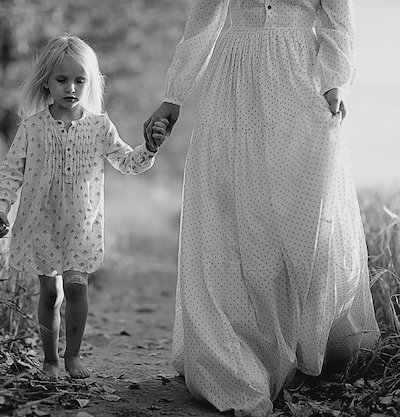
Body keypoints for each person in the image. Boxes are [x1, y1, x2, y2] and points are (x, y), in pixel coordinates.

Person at [143, 1, 380, 416]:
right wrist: (173, 95)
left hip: (303, 83)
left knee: (303, 224)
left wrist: (335, 81)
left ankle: (305, 347)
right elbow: (204, 20)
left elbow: (337, 19)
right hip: (234, 81)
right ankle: (237, 354)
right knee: (230, 215)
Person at [0, 34, 168, 379]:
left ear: (90, 82)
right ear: (46, 82)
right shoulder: (32, 128)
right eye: (62, 79)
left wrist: (149, 147)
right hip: (41, 222)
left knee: (75, 287)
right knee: (49, 292)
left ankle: (72, 355)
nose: (70, 87)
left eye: (79, 80)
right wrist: (1, 207)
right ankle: (50, 360)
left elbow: (127, 162)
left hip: (81, 225)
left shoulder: (99, 126)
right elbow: (11, 171)